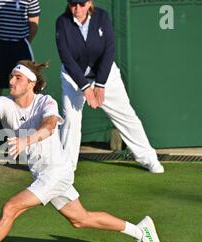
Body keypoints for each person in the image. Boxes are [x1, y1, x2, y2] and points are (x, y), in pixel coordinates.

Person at [0, 60, 164, 242]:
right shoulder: (5, 102)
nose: (11, 81)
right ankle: (140, 231)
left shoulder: (46, 102)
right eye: (11, 76)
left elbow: (48, 126)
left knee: (11, 208)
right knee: (80, 219)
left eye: (17, 77)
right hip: (43, 174)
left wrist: (27, 140)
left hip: (56, 172)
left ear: (31, 83)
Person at [56, 0, 165, 173]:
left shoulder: (102, 17)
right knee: (70, 119)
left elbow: (109, 50)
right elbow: (66, 58)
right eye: (72, 4)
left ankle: (149, 158)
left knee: (126, 115)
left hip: (105, 75)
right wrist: (85, 87)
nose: (77, 8)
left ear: (90, 2)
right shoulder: (62, 22)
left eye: (81, 4)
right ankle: (66, 169)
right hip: (73, 78)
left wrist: (100, 84)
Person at [0, 0, 41, 166]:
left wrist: (22, 42)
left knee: (28, 100)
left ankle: (31, 147)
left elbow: (34, 23)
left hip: (21, 46)